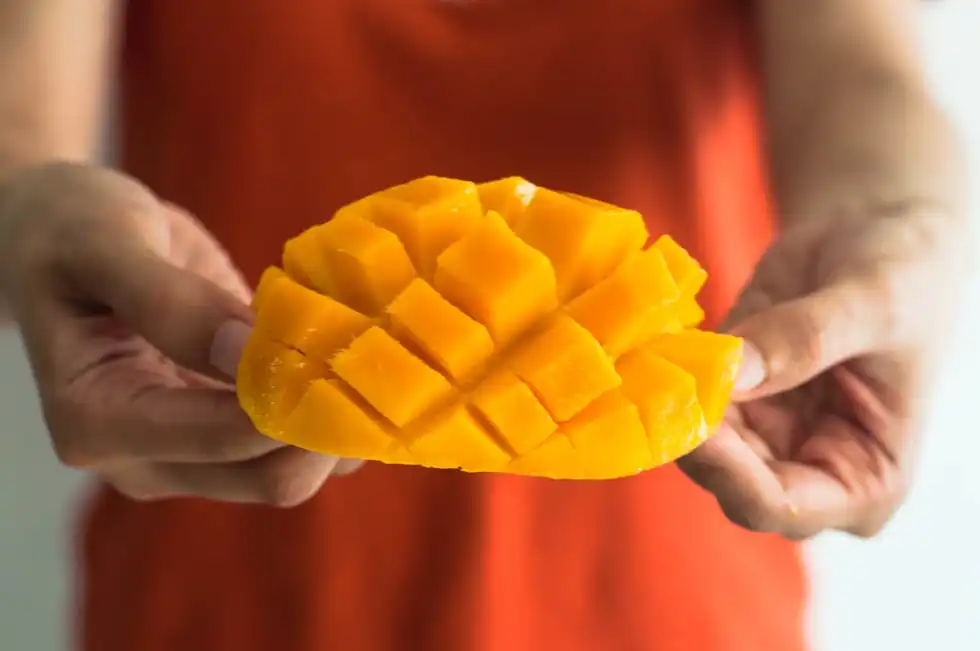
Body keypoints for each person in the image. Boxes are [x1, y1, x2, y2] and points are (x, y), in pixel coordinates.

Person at [0, 0, 968, 649]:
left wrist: (901, 225)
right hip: (229, 585)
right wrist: (28, 210)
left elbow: (862, 76)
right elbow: (19, 113)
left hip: (668, 585)